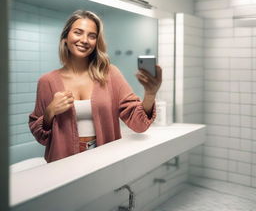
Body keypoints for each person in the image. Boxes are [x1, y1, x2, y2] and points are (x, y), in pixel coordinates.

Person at [29, 10, 162, 163]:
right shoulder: (47, 81)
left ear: (96, 42)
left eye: (92, 36)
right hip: (62, 164)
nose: (84, 40)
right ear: (65, 37)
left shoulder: (111, 74)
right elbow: (41, 137)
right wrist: (50, 112)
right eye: (78, 33)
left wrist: (150, 94)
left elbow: (139, 125)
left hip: (104, 160)